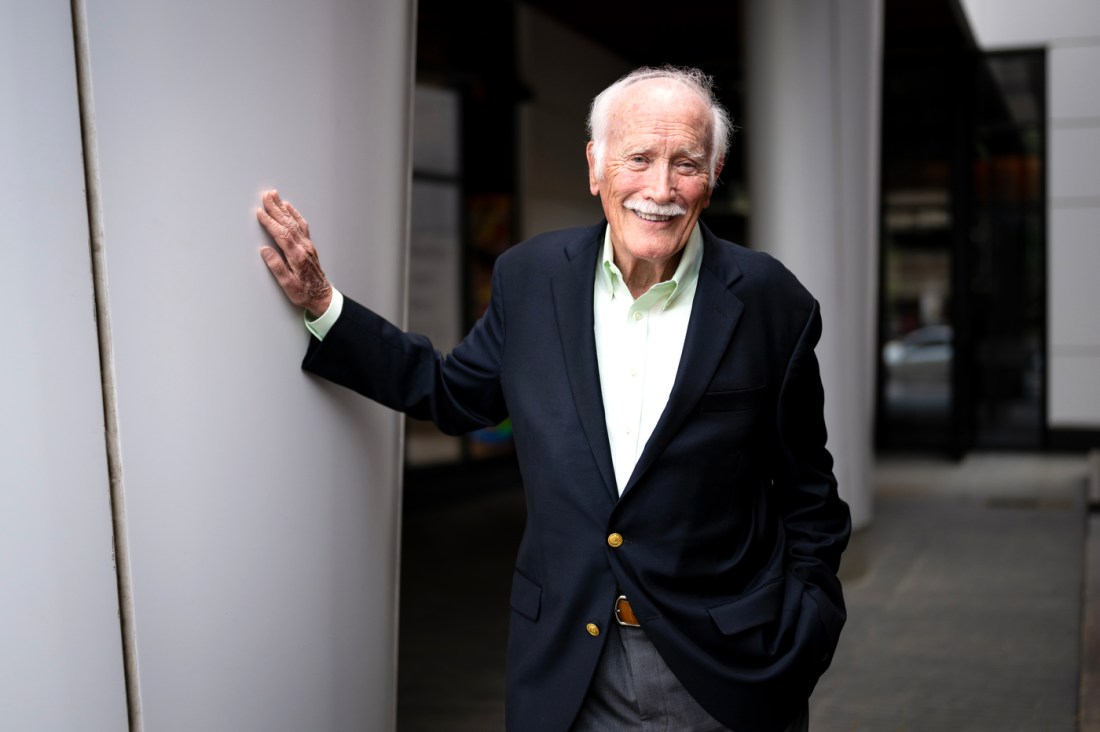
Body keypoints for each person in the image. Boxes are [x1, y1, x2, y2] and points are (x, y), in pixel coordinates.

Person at [258, 66, 850, 732]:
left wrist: (804, 633)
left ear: (713, 177)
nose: (661, 190)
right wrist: (324, 308)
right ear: (597, 166)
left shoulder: (772, 301)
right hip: (571, 666)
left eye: (686, 164)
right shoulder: (530, 276)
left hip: (725, 669)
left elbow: (811, 501)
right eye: (639, 159)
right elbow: (454, 395)